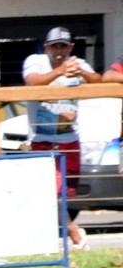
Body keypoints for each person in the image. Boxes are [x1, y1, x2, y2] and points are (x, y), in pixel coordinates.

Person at [22, 26, 100, 249]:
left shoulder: (77, 63)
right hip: (42, 138)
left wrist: (81, 73)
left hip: (69, 138)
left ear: (71, 47)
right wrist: (59, 72)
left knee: (66, 193)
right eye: (54, 46)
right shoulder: (35, 61)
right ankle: (73, 233)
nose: (59, 51)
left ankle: (62, 232)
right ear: (46, 47)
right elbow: (32, 81)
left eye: (63, 46)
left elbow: (99, 80)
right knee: (48, 190)